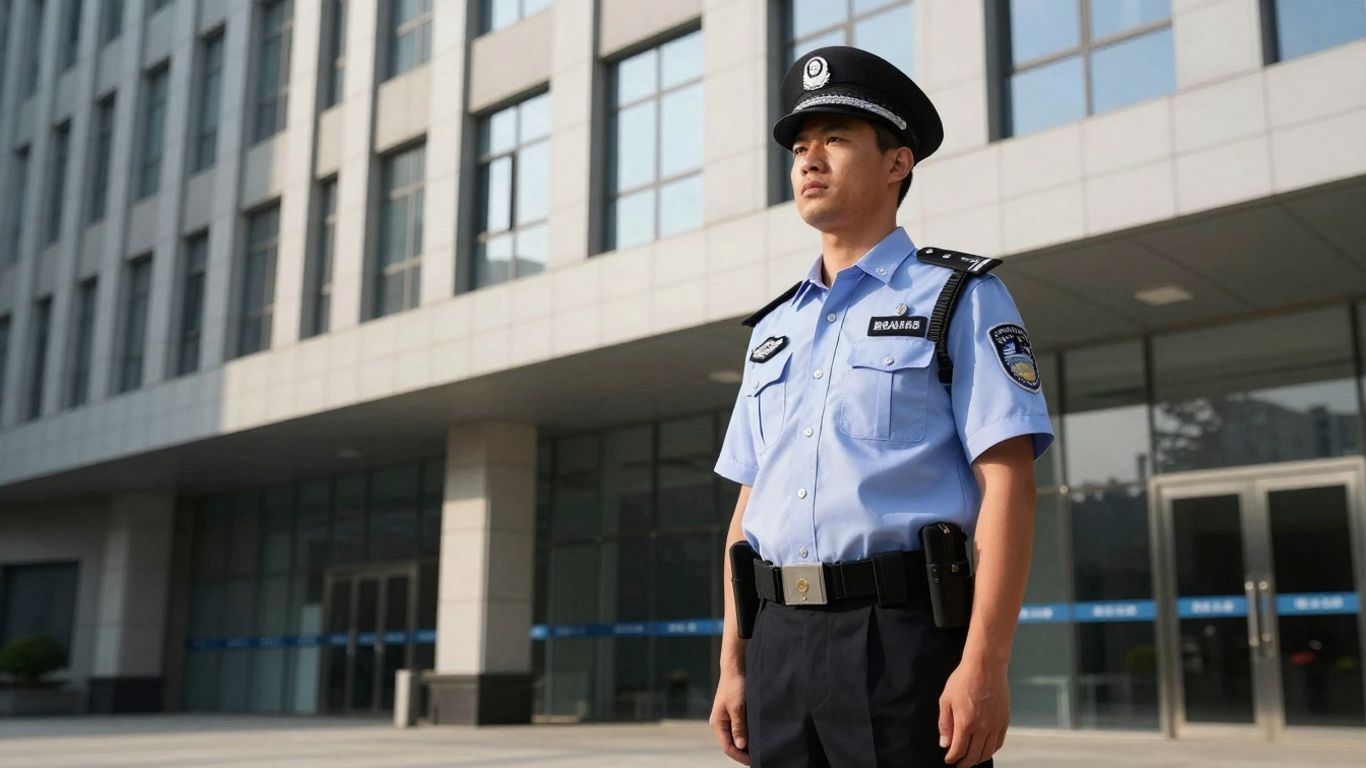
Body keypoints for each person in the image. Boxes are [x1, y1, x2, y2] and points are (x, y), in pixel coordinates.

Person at [708, 46, 1055, 768]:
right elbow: (749, 507)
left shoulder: (958, 297)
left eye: (834, 139)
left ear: (898, 163)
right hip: (777, 641)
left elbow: (1009, 485)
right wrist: (733, 663)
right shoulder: (775, 331)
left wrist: (985, 663)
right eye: (800, 146)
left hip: (901, 642)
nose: (809, 160)